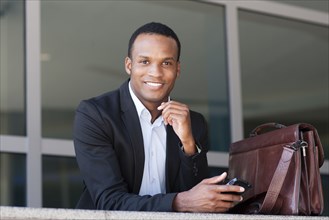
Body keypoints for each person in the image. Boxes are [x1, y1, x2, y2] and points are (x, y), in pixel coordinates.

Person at [73, 22, 244, 212]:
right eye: (145, 61)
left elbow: (198, 200)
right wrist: (180, 202)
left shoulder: (194, 123)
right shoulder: (96, 115)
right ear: (129, 65)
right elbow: (110, 202)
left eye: (166, 63)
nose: (155, 73)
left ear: (177, 70)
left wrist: (188, 144)